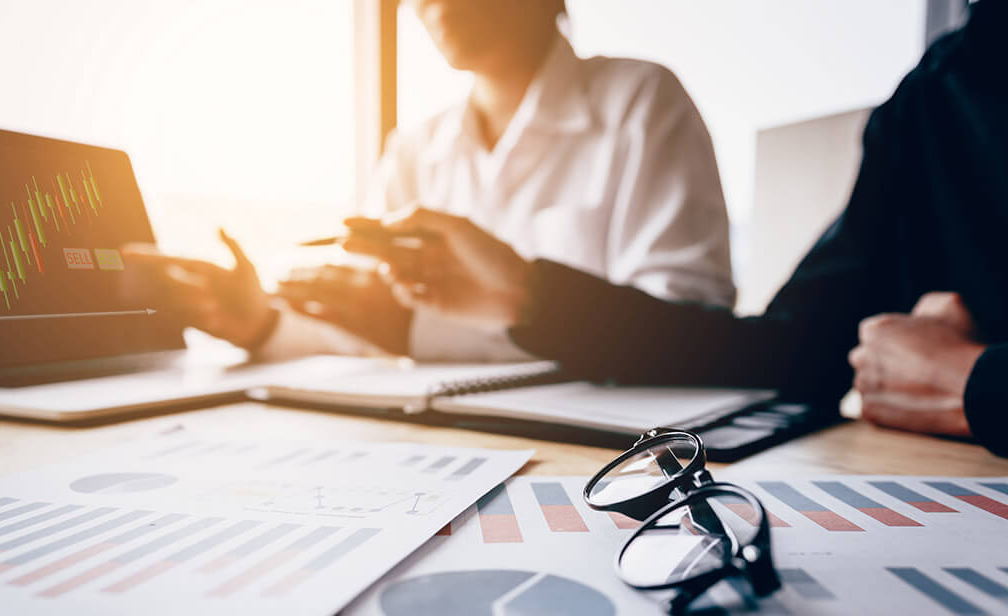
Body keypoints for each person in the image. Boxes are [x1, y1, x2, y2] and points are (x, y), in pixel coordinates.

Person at [343, 1, 1008, 457]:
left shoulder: (639, 100)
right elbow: (789, 352)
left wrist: (980, 385)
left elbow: (695, 307)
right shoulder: (937, 95)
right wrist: (530, 298)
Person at [127, 0, 734, 362]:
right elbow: (372, 330)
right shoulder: (414, 148)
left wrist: (442, 326)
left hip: (606, 457)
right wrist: (259, 324)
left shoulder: (642, 101)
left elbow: (687, 327)